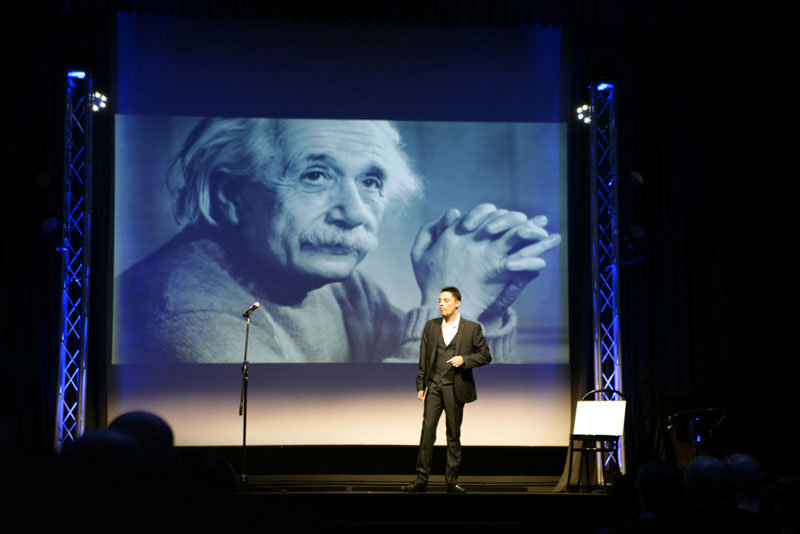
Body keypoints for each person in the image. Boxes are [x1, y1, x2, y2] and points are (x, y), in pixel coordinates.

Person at [115, 118, 561, 363]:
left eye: (370, 181)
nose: (354, 213)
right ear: (230, 196)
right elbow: (397, 426)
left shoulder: (343, 288)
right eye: (315, 175)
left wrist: (483, 311)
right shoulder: (188, 319)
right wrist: (450, 305)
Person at [402, 286, 491, 493]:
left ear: (457, 303)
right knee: (427, 432)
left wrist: (465, 359)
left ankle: (451, 481)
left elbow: (485, 355)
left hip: (455, 387)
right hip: (434, 385)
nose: (441, 304)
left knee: (453, 434)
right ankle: (421, 479)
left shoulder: (472, 328)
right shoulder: (431, 326)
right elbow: (424, 357)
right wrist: (421, 384)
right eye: (440, 300)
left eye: (446, 300)